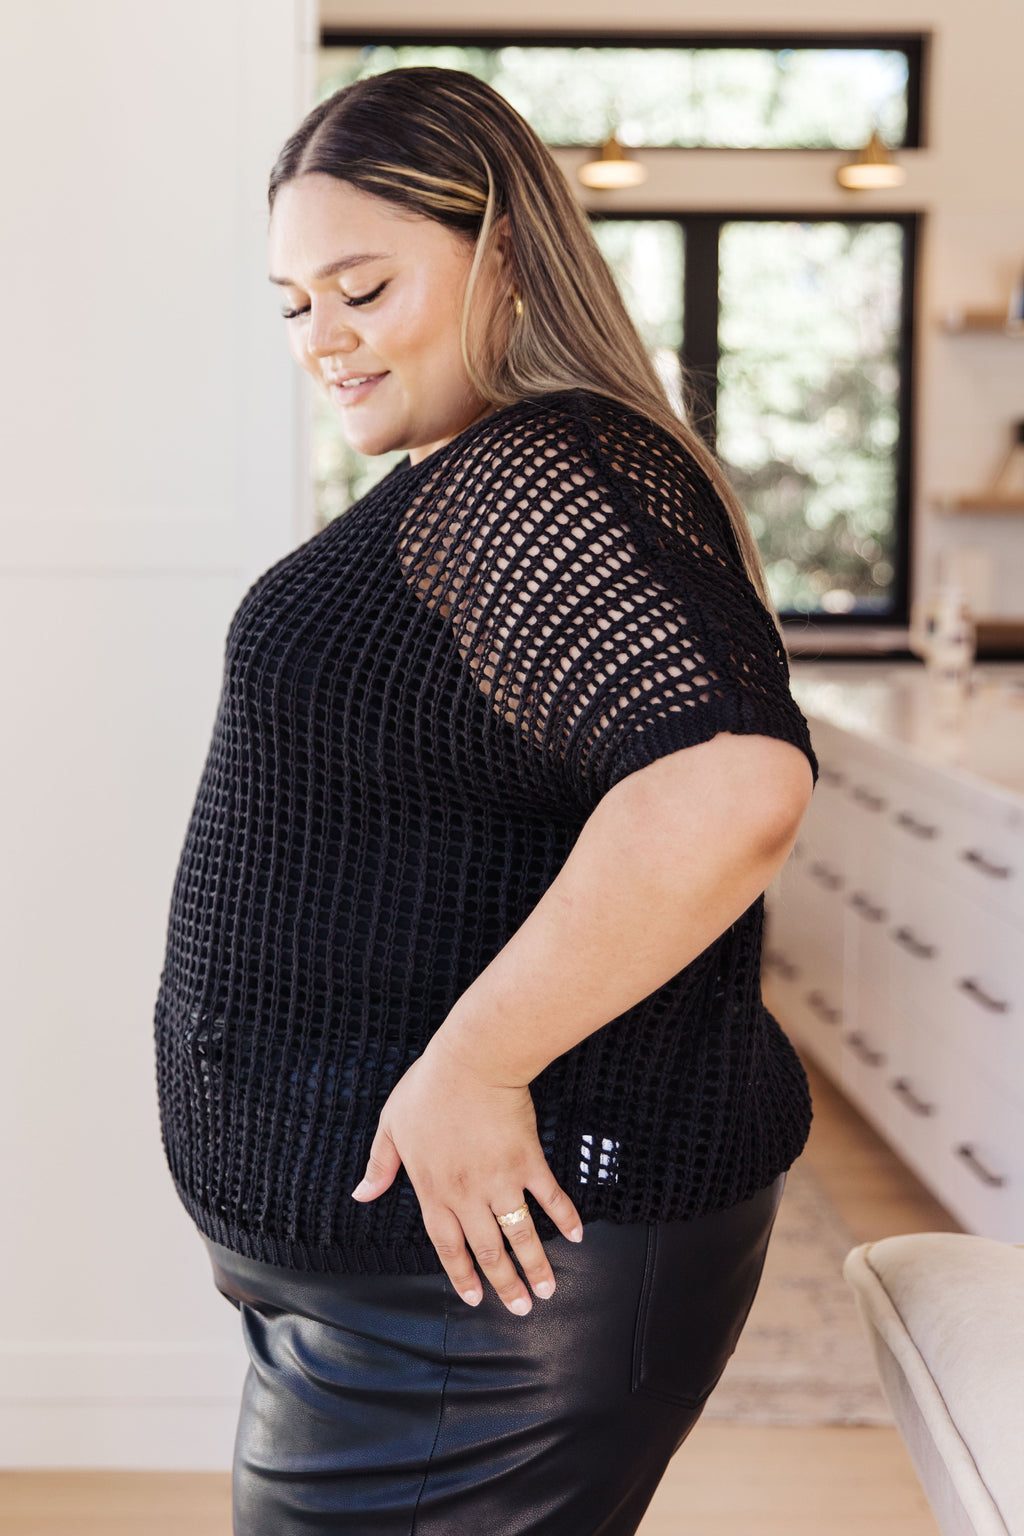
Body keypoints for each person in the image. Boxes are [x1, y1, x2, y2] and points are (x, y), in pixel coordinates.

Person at [153, 65, 819, 1536]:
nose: (321, 339)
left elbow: (730, 787)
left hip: (478, 1303)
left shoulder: (543, 466)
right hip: (413, 1291)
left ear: (505, 248)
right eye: (292, 303)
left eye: (363, 287)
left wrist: (473, 1065)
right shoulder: (492, 476)